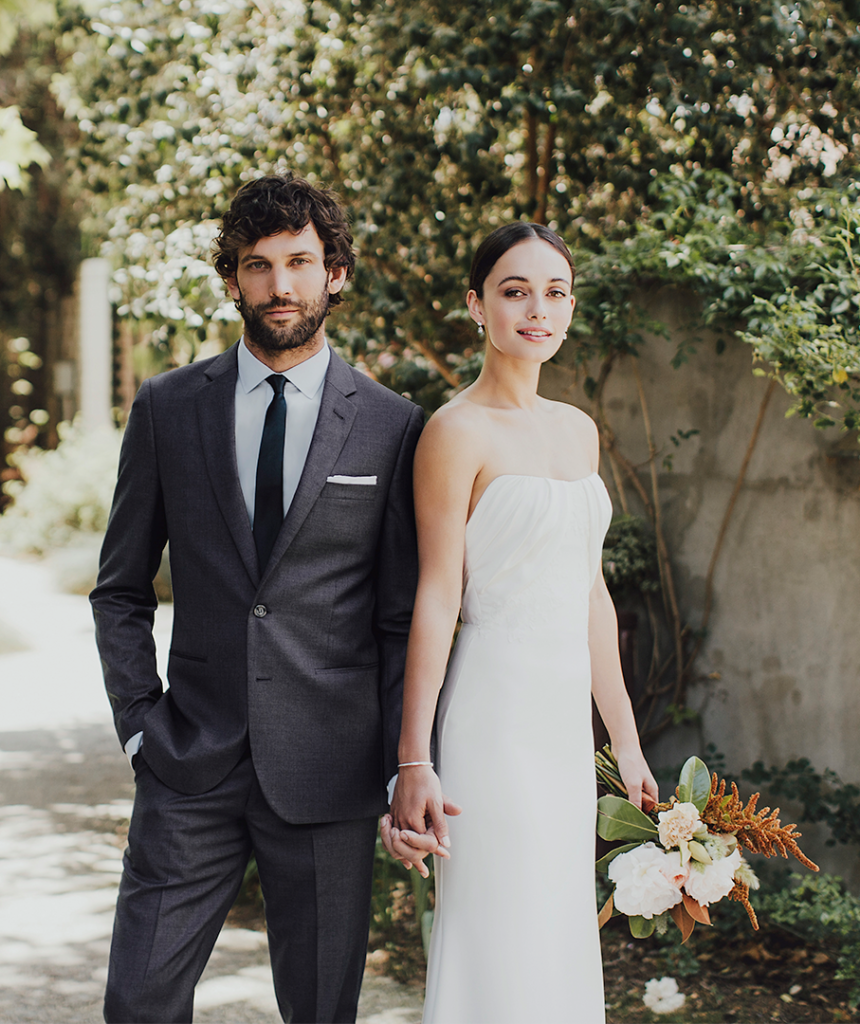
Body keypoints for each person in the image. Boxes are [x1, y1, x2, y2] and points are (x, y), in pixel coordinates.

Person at [90, 174, 424, 1024]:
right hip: (188, 760)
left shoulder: (391, 424)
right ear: (232, 279)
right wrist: (140, 724)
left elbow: (397, 616)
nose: (281, 286)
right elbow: (121, 589)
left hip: (330, 771)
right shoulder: (168, 408)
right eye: (259, 265)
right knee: (138, 1002)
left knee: (319, 1011)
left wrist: (396, 763)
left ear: (335, 273)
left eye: (301, 263)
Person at [380, 222, 658, 1023]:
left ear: (571, 309)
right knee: (499, 934)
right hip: (491, 723)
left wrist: (626, 742)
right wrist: (413, 760)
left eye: (555, 291)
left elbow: (590, 594)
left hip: (561, 729)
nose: (538, 309)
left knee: (556, 931)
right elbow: (436, 597)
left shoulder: (578, 429)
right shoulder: (454, 431)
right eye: (515, 290)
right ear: (477, 306)